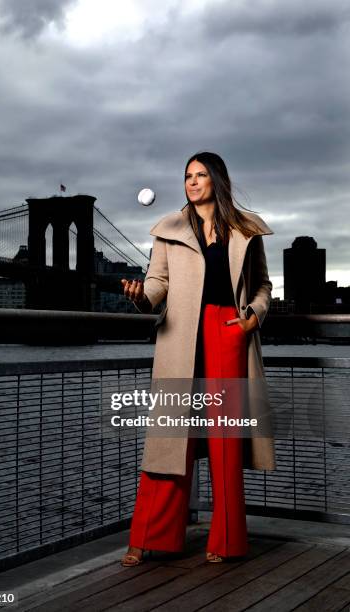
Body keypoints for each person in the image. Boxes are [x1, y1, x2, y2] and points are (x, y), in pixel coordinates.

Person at [120, 151, 275, 566]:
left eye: (201, 174)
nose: (192, 181)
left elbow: (262, 286)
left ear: (217, 180)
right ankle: (148, 537)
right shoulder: (168, 229)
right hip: (181, 340)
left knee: (226, 443)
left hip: (229, 333)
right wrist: (139, 297)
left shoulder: (244, 229)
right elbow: (156, 286)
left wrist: (252, 318)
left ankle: (226, 541)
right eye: (187, 175)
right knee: (171, 441)